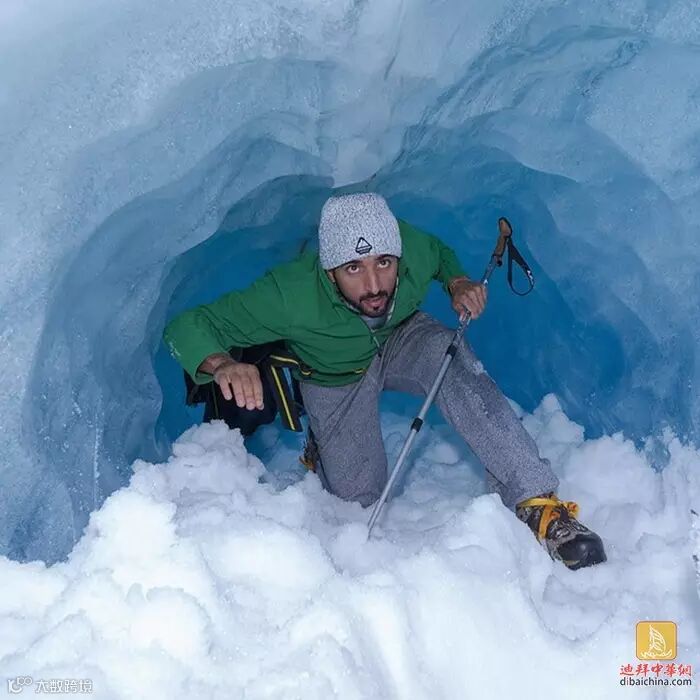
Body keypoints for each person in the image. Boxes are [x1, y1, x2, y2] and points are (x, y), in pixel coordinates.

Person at [164, 193, 606, 570]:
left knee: (450, 355)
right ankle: (322, 441)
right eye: (353, 269)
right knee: (358, 497)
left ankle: (537, 502)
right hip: (335, 374)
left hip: (401, 337)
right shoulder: (287, 294)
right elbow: (186, 325)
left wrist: (456, 282)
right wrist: (221, 363)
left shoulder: (410, 248)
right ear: (329, 270)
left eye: (384, 263)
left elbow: (438, 254)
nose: (374, 285)